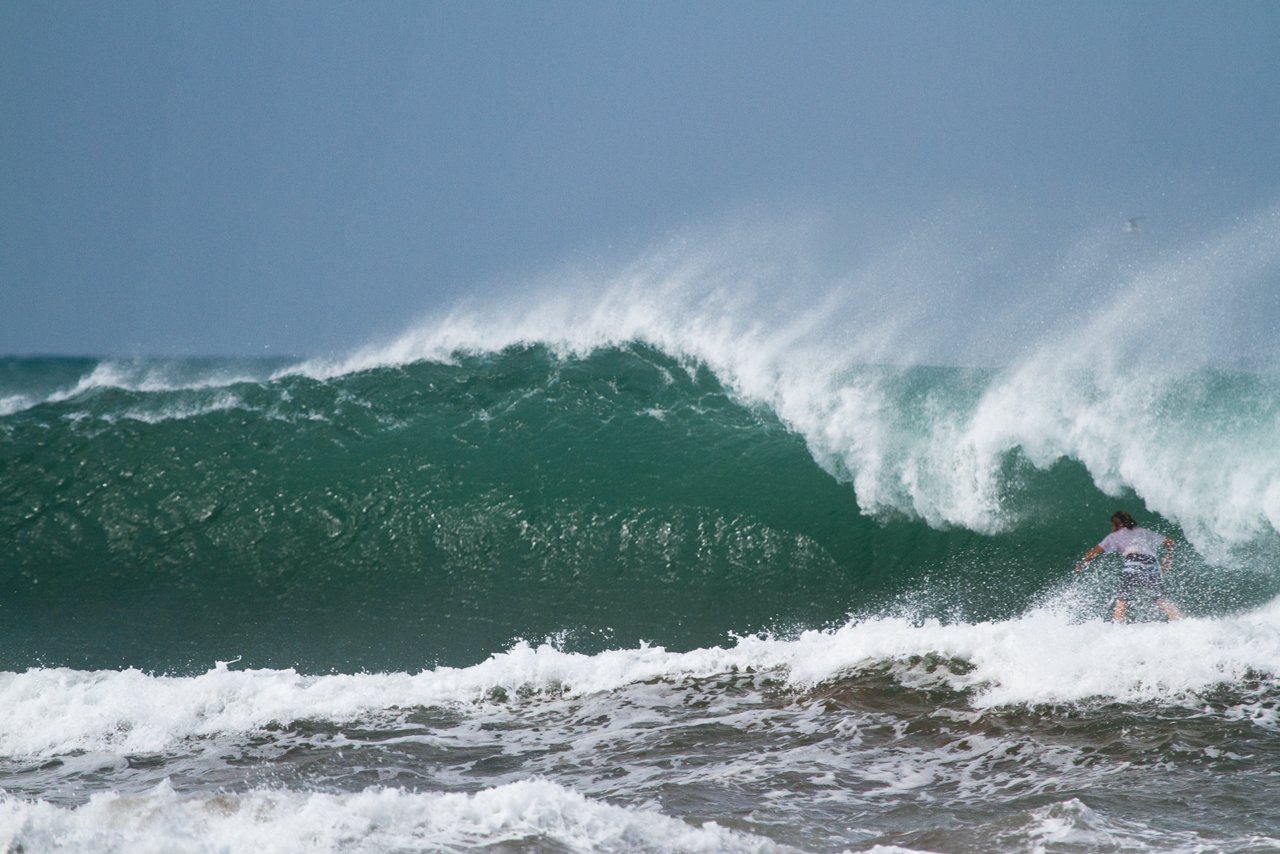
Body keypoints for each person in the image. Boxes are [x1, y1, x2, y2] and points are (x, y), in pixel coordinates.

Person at [1075, 511, 1182, 622]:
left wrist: (1080, 566)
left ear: (1116, 525)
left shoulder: (1114, 536)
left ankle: (1118, 624)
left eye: (1112, 525)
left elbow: (1092, 553)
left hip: (1133, 562)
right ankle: (1179, 620)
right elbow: (1170, 542)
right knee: (1160, 597)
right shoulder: (1144, 532)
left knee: (1122, 598)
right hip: (1151, 563)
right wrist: (1167, 559)